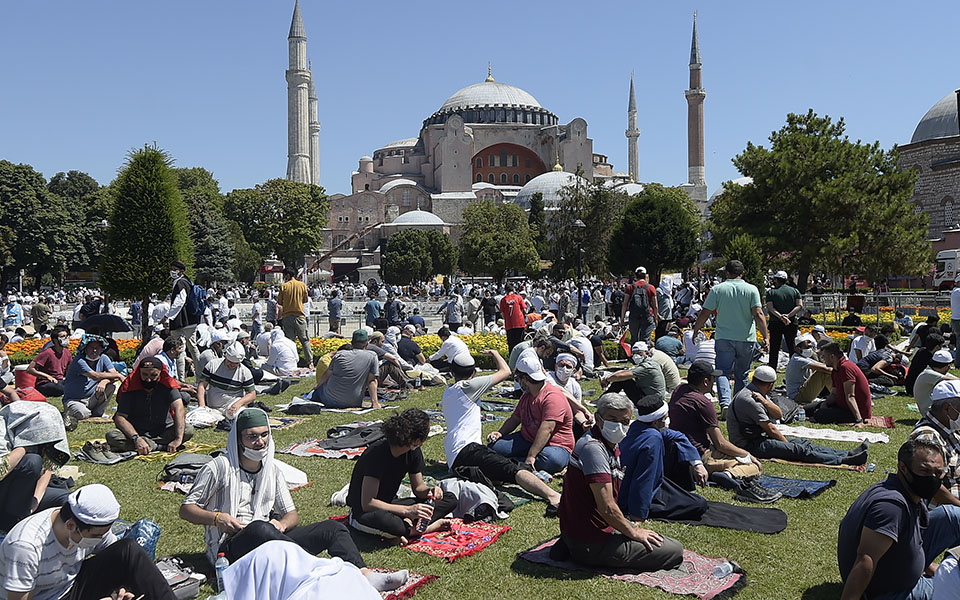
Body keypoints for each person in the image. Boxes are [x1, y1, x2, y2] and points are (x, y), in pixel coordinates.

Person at [179, 409, 407, 593]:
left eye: (264, 434)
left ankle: (365, 576)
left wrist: (282, 525)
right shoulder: (218, 467)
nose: (260, 442)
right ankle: (318, 571)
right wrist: (218, 518)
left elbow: (292, 515)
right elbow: (186, 509)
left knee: (332, 528)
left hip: (272, 539)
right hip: (229, 548)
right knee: (260, 529)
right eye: (252, 437)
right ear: (238, 439)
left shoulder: (272, 470)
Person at [557, 392, 684, 572]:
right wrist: (633, 531)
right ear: (598, 419)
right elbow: (607, 507)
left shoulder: (607, 444)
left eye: (624, 421)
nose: (619, 426)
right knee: (674, 550)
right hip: (592, 542)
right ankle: (583, 553)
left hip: (588, 532)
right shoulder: (594, 449)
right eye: (612, 419)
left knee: (661, 541)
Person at [0, 483, 177, 600]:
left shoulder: (84, 528)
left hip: (71, 584)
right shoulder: (26, 546)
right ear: (71, 525)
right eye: (96, 536)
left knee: (128, 549)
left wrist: (122, 587)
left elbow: (117, 558)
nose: (99, 539)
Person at [838, 438, 960, 600]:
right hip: (887, 593)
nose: (932, 478)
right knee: (955, 588)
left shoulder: (909, 489)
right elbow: (865, 559)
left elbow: (911, 542)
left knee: (954, 515)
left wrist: (927, 567)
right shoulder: (891, 507)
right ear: (903, 467)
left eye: (937, 473)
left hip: (895, 567)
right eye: (925, 471)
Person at [668, 361, 776, 502]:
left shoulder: (679, 390)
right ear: (705, 381)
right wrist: (747, 455)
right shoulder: (703, 403)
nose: (714, 382)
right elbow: (720, 444)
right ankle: (728, 474)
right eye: (713, 379)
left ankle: (720, 471)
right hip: (699, 455)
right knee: (754, 467)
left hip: (676, 452)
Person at [347, 409, 457, 542]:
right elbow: (368, 503)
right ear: (417, 440)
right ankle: (420, 529)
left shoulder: (413, 452)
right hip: (366, 511)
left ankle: (409, 527)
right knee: (391, 523)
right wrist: (407, 511)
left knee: (450, 499)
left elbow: (418, 488)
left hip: (391, 504)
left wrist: (431, 491)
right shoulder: (376, 454)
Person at [728, 365, 866, 465]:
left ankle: (847, 454)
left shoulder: (758, 394)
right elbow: (771, 429)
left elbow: (778, 414)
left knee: (803, 443)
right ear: (770, 385)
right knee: (797, 449)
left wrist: (765, 401)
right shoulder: (749, 400)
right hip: (748, 445)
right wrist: (786, 445)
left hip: (759, 438)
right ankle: (842, 460)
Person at [691, 260, 769, 411]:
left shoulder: (718, 289)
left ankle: (725, 403)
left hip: (724, 337)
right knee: (742, 374)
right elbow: (758, 314)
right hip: (746, 338)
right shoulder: (752, 289)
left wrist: (696, 329)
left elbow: (705, 312)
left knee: (722, 372)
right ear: (743, 273)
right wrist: (765, 336)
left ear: (727, 273)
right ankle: (738, 406)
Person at [618, 394, 709, 521]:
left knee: (674, 445)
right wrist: (638, 514)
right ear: (656, 421)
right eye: (666, 417)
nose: (668, 420)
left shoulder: (639, 427)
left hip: (635, 485)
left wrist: (697, 463)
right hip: (633, 496)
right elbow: (644, 479)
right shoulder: (652, 440)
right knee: (699, 504)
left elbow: (677, 436)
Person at [487, 352, 575, 474]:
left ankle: (517, 461)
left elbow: (547, 429)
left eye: (518, 379)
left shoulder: (552, 397)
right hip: (527, 439)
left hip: (556, 445)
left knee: (551, 460)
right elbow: (515, 418)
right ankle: (518, 461)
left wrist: (531, 455)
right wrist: (500, 433)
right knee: (494, 447)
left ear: (525, 379)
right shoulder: (527, 395)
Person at [105, 357, 193, 454]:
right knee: (112, 435)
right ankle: (158, 446)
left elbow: (179, 409)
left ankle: (149, 446)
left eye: (153, 375)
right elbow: (120, 418)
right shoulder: (130, 388)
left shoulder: (168, 387)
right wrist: (136, 438)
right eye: (145, 375)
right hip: (138, 433)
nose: (149, 379)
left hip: (164, 431)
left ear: (160, 374)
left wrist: (178, 439)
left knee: (188, 430)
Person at [908, 382, 960, 507]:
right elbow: (932, 486)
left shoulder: (950, 430)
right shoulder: (928, 437)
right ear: (947, 408)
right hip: (945, 512)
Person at [311, 329, 380, 409]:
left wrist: (317, 386)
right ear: (367, 344)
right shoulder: (372, 356)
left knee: (318, 391)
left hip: (330, 401)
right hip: (354, 401)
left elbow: (327, 375)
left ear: (351, 342)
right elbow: (372, 381)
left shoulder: (340, 355)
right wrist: (375, 403)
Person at [808, 342, 872, 426]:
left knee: (819, 414)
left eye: (824, 357)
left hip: (854, 411)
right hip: (842, 405)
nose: (823, 359)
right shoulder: (835, 369)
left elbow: (850, 396)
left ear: (832, 357)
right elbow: (834, 393)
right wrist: (826, 403)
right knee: (808, 409)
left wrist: (859, 420)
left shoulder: (846, 368)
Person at [61, 335, 122, 420]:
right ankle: (72, 411)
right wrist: (119, 375)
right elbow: (95, 376)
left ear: (101, 349)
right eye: (91, 347)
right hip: (74, 400)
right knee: (83, 414)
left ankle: (98, 412)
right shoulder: (79, 361)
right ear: (85, 348)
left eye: (97, 348)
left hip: (92, 398)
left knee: (111, 386)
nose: (94, 350)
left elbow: (113, 374)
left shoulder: (104, 358)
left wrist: (104, 381)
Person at [165, 260, 202, 385]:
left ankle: (181, 379)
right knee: (193, 349)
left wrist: (168, 316)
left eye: (175, 269)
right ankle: (199, 377)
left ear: (181, 271)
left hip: (181, 321)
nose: (172, 271)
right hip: (191, 321)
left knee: (179, 349)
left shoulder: (180, 283)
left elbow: (180, 301)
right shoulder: (188, 282)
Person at [197, 342, 256, 418]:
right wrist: (202, 406)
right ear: (226, 357)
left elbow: (252, 394)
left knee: (238, 415)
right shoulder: (212, 365)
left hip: (232, 405)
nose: (232, 365)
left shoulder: (245, 372)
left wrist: (238, 404)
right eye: (230, 362)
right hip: (212, 407)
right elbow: (202, 385)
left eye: (236, 363)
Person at [600, 342, 666, 404]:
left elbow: (620, 376)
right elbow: (625, 372)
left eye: (639, 353)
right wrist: (609, 376)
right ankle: (604, 398)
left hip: (653, 401)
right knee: (623, 378)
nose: (635, 356)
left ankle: (603, 399)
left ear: (647, 353)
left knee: (624, 380)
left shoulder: (646, 367)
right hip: (654, 397)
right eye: (634, 353)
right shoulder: (650, 363)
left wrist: (606, 379)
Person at [277, 268, 313, 369]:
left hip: (287, 316)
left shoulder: (283, 286)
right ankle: (310, 362)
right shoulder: (302, 285)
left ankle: (292, 362)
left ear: (287, 275)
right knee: (305, 340)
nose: (284, 278)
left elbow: (279, 303)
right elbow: (305, 300)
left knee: (290, 341)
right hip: (300, 316)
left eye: (284, 276)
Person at [765, 270, 802, 369]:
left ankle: (772, 368)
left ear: (776, 279)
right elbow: (799, 305)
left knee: (774, 347)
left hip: (775, 322)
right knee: (792, 346)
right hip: (791, 322)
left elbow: (770, 307)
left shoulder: (771, 292)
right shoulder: (795, 291)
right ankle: (794, 367)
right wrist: (788, 316)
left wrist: (780, 316)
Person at [784, 333, 833, 405]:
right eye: (807, 348)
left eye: (811, 347)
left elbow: (823, 364)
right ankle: (838, 395)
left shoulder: (804, 358)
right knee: (823, 372)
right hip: (797, 396)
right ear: (798, 349)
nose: (810, 350)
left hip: (802, 391)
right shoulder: (797, 359)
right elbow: (825, 369)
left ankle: (837, 394)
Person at [26, 326, 72, 398]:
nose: (66, 339)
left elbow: (70, 370)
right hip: (46, 383)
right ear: (55, 340)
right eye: (63, 336)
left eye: (67, 336)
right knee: (59, 388)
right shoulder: (47, 352)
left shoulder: (67, 352)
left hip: (60, 381)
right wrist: (47, 376)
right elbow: (30, 369)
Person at [620, 266, 659, 346]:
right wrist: (655, 318)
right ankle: (644, 356)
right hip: (647, 316)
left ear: (636, 276)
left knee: (634, 339)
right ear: (645, 276)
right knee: (645, 339)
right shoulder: (651, 288)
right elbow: (655, 306)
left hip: (634, 316)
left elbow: (625, 304)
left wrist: (622, 319)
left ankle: (634, 356)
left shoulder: (630, 287)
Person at [915, 350, 958, 416]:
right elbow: (955, 381)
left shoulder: (931, 372)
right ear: (947, 366)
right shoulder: (928, 374)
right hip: (930, 412)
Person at [500, 283, 527, 351]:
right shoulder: (518, 297)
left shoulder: (503, 300)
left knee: (511, 345)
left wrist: (507, 319)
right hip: (520, 323)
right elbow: (525, 310)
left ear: (505, 290)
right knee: (520, 344)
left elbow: (502, 313)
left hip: (509, 325)